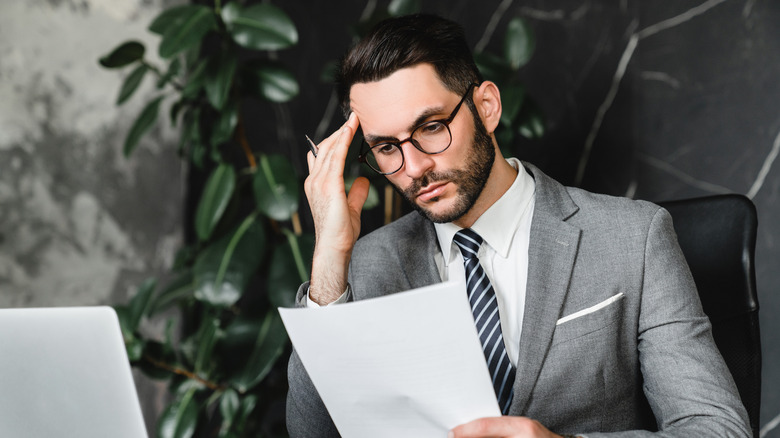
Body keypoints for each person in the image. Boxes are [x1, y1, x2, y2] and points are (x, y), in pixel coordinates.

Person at [287, 14, 750, 438]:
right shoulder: (362, 269)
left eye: (430, 127)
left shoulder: (634, 238)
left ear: (486, 106)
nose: (413, 168)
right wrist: (329, 260)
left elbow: (716, 429)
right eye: (386, 148)